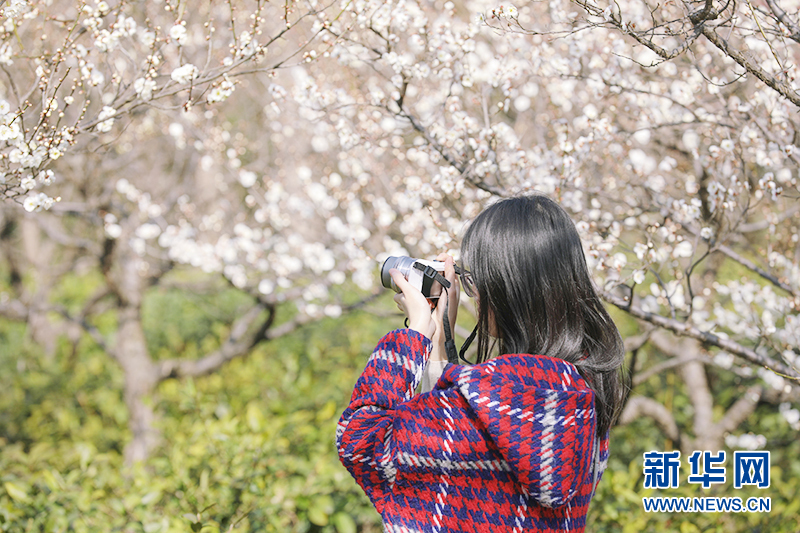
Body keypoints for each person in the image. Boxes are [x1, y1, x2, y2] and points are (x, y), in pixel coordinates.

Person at [336, 194, 626, 532]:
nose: (475, 294)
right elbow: (451, 440)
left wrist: (415, 334)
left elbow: (362, 441)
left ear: (507, 287)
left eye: (475, 281)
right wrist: (440, 344)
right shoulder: (585, 391)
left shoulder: (484, 398)